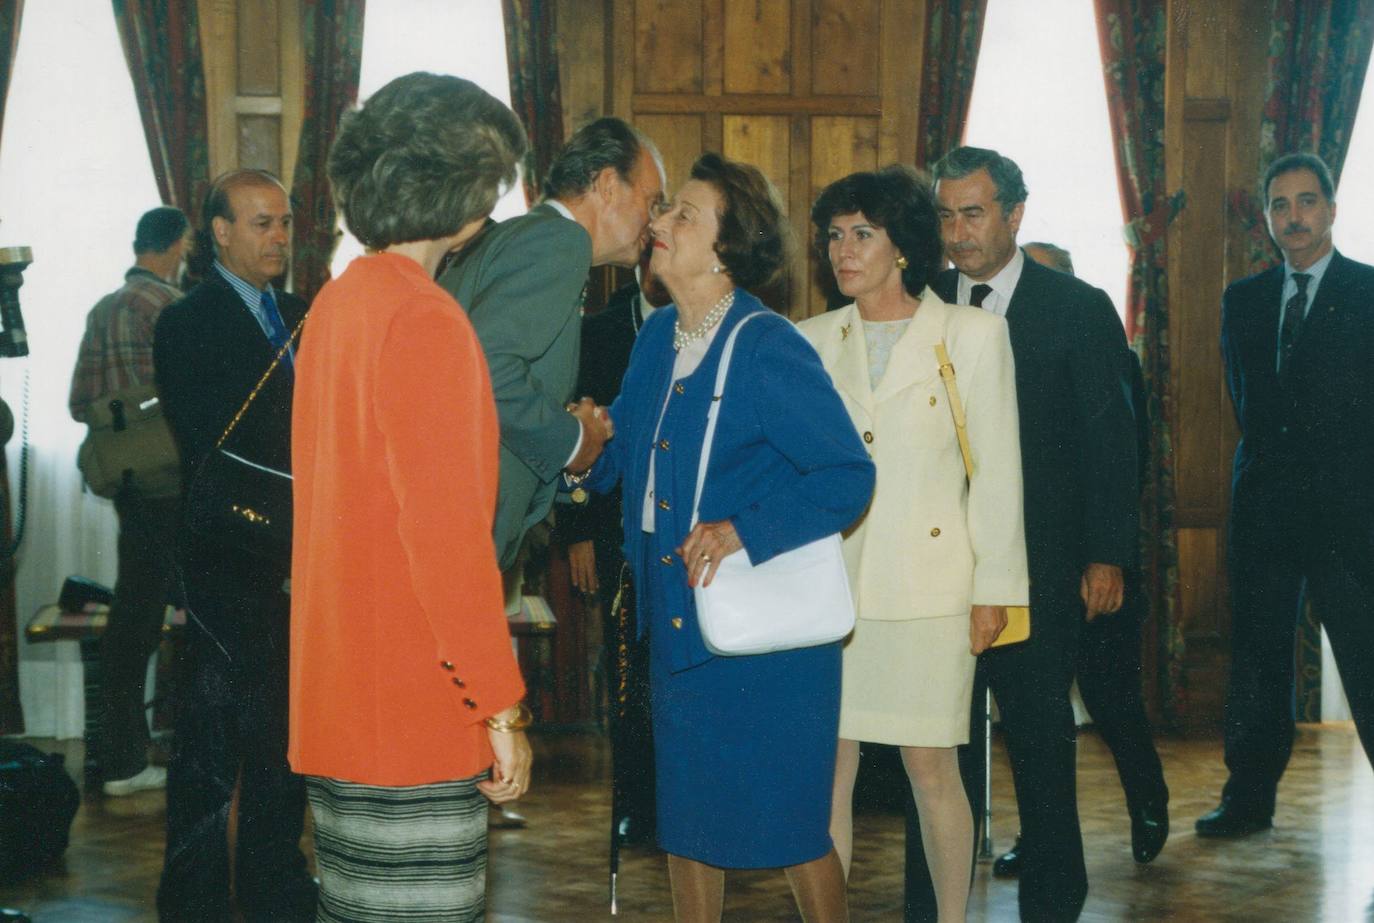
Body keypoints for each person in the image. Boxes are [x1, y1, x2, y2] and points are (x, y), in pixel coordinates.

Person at [581, 152, 875, 922]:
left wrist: (746, 528)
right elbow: (617, 458)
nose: (660, 223)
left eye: (684, 214)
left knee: (789, 826)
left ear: (725, 247)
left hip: (765, 645)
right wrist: (575, 447)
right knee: (688, 824)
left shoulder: (767, 344)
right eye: (664, 208)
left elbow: (847, 475)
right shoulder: (656, 342)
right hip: (675, 628)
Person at [288, 72, 532, 922]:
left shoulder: (338, 302)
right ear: (467, 196)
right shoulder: (425, 319)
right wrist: (500, 703)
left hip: (341, 696)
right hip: (416, 703)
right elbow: (448, 542)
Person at [799, 166, 1028, 923]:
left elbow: (996, 471)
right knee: (828, 769)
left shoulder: (971, 334)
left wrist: (997, 588)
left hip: (931, 590)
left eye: (862, 233)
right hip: (834, 591)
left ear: (903, 245)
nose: (844, 249)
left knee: (932, 769)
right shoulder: (808, 340)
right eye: (834, 234)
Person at [918, 146, 1140, 923]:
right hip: (941, 568)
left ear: (1015, 214)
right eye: (945, 215)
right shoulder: (922, 302)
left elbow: (1112, 441)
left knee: (1041, 744)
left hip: (1043, 569)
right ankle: (932, 906)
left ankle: (1053, 901)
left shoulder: (1076, 308)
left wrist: (1106, 552)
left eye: (973, 213)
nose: (957, 232)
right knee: (934, 748)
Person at [153, 169, 315, 922]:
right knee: (210, 756)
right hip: (226, 563)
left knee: (287, 751)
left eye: (284, 222)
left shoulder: (305, 312)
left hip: (301, 567)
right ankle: (191, 906)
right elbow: (214, 446)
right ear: (219, 232)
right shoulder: (186, 323)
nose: (279, 237)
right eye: (261, 223)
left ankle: (277, 894)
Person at [1198, 151, 1374, 838]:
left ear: (1331, 209)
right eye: (1280, 205)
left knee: (1366, 657)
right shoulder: (1241, 301)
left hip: (1349, 518)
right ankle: (1248, 798)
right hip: (1265, 513)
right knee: (1257, 659)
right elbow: (1251, 404)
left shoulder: (1368, 293)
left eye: (1306, 202)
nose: (1293, 217)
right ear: (1268, 219)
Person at [992, 242, 1169, 878]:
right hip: (1021, 563)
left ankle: (1148, 801)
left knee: (1110, 698)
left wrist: (1106, 556)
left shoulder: (1104, 346)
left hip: (1096, 561)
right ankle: (1038, 837)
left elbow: (1125, 458)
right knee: (1032, 715)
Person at [439, 116, 664, 571]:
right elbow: (488, 367)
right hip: (460, 524)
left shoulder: (526, 236)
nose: (655, 222)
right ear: (606, 185)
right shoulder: (560, 241)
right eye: (652, 200)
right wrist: (574, 439)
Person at [69, 206, 190, 797]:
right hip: (175, 479)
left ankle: (124, 753)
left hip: (128, 481)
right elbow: (193, 396)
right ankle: (131, 761)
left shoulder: (103, 308)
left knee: (135, 615)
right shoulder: (170, 307)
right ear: (181, 245)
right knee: (173, 615)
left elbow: (77, 402)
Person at [554, 245, 668, 845]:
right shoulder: (597, 330)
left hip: (681, 536)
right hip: (611, 529)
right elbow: (572, 434)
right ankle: (633, 804)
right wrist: (575, 533)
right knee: (627, 675)